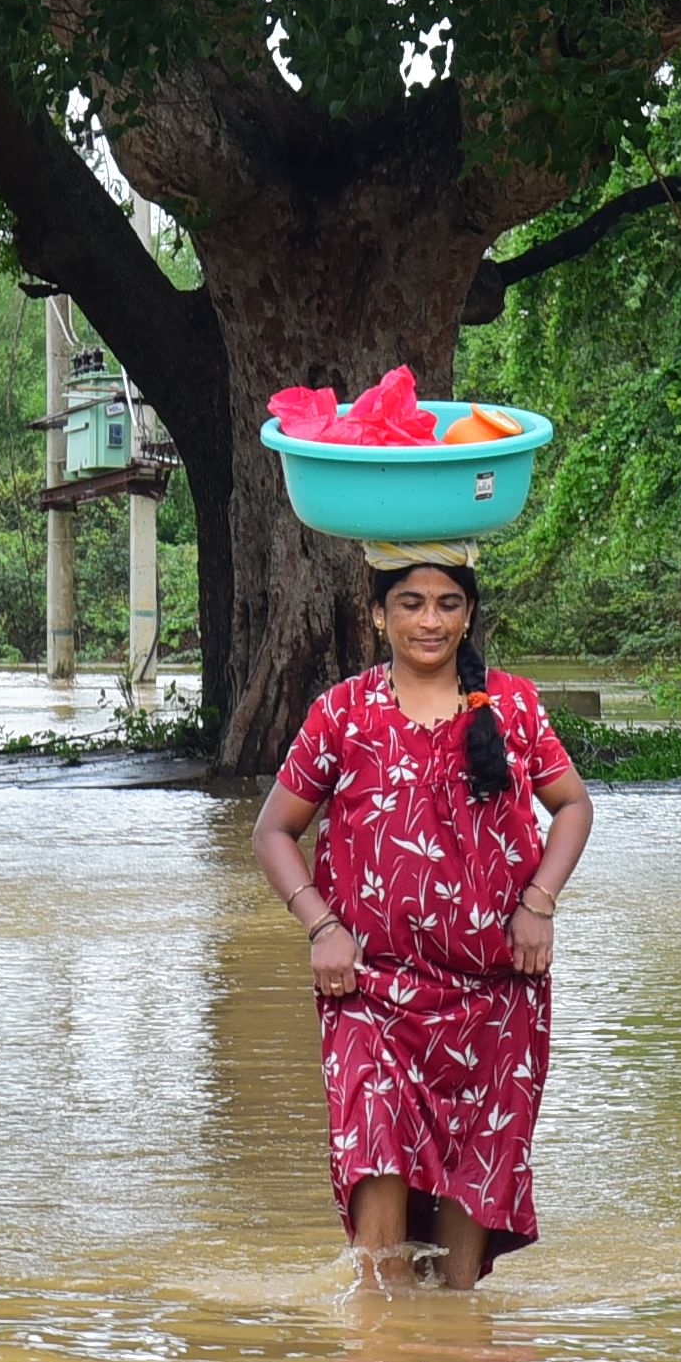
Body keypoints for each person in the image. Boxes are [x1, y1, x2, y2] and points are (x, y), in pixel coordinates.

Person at [252, 548, 593, 1287]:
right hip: (370, 992)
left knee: (472, 1204)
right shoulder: (342, 713)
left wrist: (539, 902)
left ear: (469, 616)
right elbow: (273, 831)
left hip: (497, 994)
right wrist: (321, 927)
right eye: (410, 602)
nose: (429, 620)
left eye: (447, 603)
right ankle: (380, 1352)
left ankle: (456, 1361)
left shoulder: (514, 706)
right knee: (375, 1152)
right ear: (378, 616)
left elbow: (572, 807)